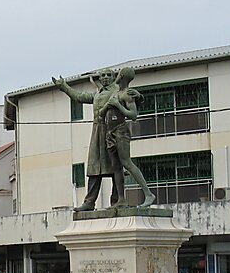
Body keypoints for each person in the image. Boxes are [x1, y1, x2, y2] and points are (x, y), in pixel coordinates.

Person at [52, 68, 120, 210]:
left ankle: (117, 201)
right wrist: (64, 86)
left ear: (113, 77)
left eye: (109, 75)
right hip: (97, 133)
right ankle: (89, 202)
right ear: (100, 79)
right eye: (103, 75)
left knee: (116, 168)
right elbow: (79, 97)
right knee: (94, 168)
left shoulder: (118, 91)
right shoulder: (97, 95)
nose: (106, 77)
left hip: (113, 132)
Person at [102, 67, 155, 208]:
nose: (116, 76)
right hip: (110, 132)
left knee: (126, 162)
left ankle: (149, 194)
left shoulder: (128, 94)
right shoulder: (115, 92)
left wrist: (118, 105)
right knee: (116, 167)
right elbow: (103, 111)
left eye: (118, 74)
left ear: (122, 75)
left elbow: (133, 115)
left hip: (120, 131)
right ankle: (121, 199)